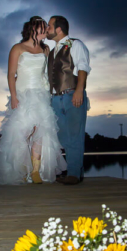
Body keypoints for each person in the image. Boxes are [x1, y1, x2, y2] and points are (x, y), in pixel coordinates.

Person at [0, 16, 67, 185]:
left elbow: (47, 74)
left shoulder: (45, 50)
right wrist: (14, 96)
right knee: (22, 132)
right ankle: (22, 169)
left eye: (46, 27)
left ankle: (36, 171)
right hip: (23, 94)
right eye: (43, 27)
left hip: (42, 95)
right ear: (33, 29)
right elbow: (10, 74)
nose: (46, 30)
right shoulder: (18, 48)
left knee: (41, 131)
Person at [46, 16, 91, 185]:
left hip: (73, 95)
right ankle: (76, 171)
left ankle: (73, 173)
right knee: (63, 136)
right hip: (55, 99)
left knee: (75, 135)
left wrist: (79, 90)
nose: (47, 29)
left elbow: (83, 67)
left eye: (49, 26)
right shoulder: (51, 52)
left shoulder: (75, 44)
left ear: (59, 29)